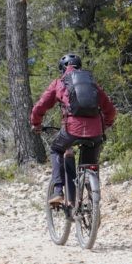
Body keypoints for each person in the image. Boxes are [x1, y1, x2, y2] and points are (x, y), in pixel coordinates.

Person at [30, 53, 116, 205]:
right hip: (95, 131)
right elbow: (109, 108)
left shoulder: (59, 82)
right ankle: (92, 197)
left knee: (56, 149)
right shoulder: (92, 84)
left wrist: (36, 124)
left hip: (71, 129)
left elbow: (40, 106)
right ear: (79, 67)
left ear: (62, 69)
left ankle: (58, 191)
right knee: (90, 161)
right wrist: (106, 124)